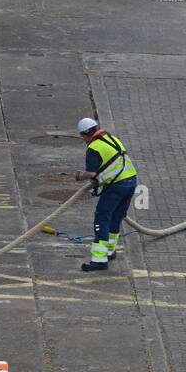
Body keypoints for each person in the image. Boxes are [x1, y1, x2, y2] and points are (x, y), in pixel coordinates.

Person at [74, 117, 138, 272]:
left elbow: (91, 173)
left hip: (116, 186)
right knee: (116, 217)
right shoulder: (112, 138)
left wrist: (79, 177)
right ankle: (110, 251)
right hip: (131, 181)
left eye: (82, 136)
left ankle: (99, 259)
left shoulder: (94, 148)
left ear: (84, 134)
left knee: (102, 218)